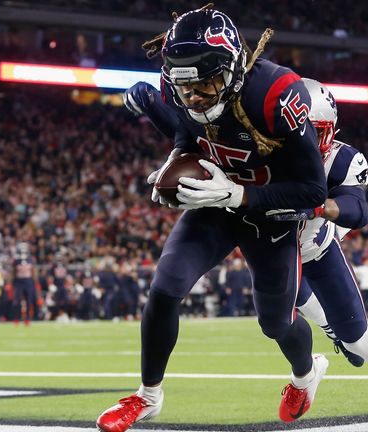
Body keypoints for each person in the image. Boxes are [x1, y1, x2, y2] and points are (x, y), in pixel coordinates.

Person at [98, 8, 329, 431]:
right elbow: (190, 132)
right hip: (213, 203)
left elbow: (314, 190)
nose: (196, 97)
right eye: (187, 88)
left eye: (206, 84)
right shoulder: (178, 82)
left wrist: (241, 194)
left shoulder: (276, 92)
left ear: (233, 68)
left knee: (275, 322)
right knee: (165, 288)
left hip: (268, 210)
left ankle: (305, 374)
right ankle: (148, 395)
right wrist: (177, 158)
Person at [268, 78, 368, 430]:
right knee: (276, 316)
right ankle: (313, 361)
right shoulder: (264, 152)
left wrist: (318, 206)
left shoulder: (343, 159)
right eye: (296, 130)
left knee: (357, 337)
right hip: (273, 253)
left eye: (312, 131)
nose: (303, 140)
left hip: (318, 250)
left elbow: (358, 210)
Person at [11, 242, 38, 325]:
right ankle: (16, 318)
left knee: (29, 301)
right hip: (19, 282)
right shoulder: (16, 260)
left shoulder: (31, 259)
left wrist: (35, 282)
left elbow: (33, 271)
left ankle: (27, 319)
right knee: (17, 301)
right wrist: (12, 281)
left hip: (28, 281)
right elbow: (13, 272)